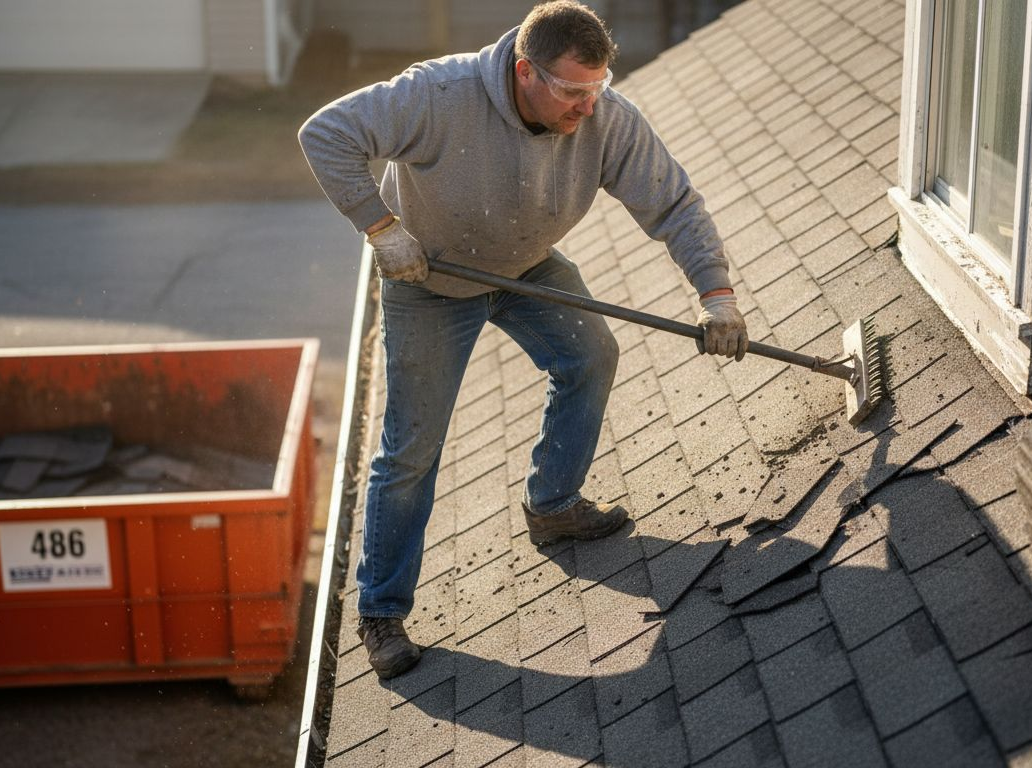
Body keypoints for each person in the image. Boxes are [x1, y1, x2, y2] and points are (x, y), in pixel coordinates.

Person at [298, 0, 749, 679]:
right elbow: (323, 132)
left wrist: (716, 294)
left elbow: (673, 202)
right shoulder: (437, 95)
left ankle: (553, 504)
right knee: (411, 451)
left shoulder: (604, 117)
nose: (586, 108)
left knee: (591, 354)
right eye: (572, 91)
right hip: (432, 283)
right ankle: (382, 610)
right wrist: (382, 228)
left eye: (596, 89)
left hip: (527, 265)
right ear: (524, 72)